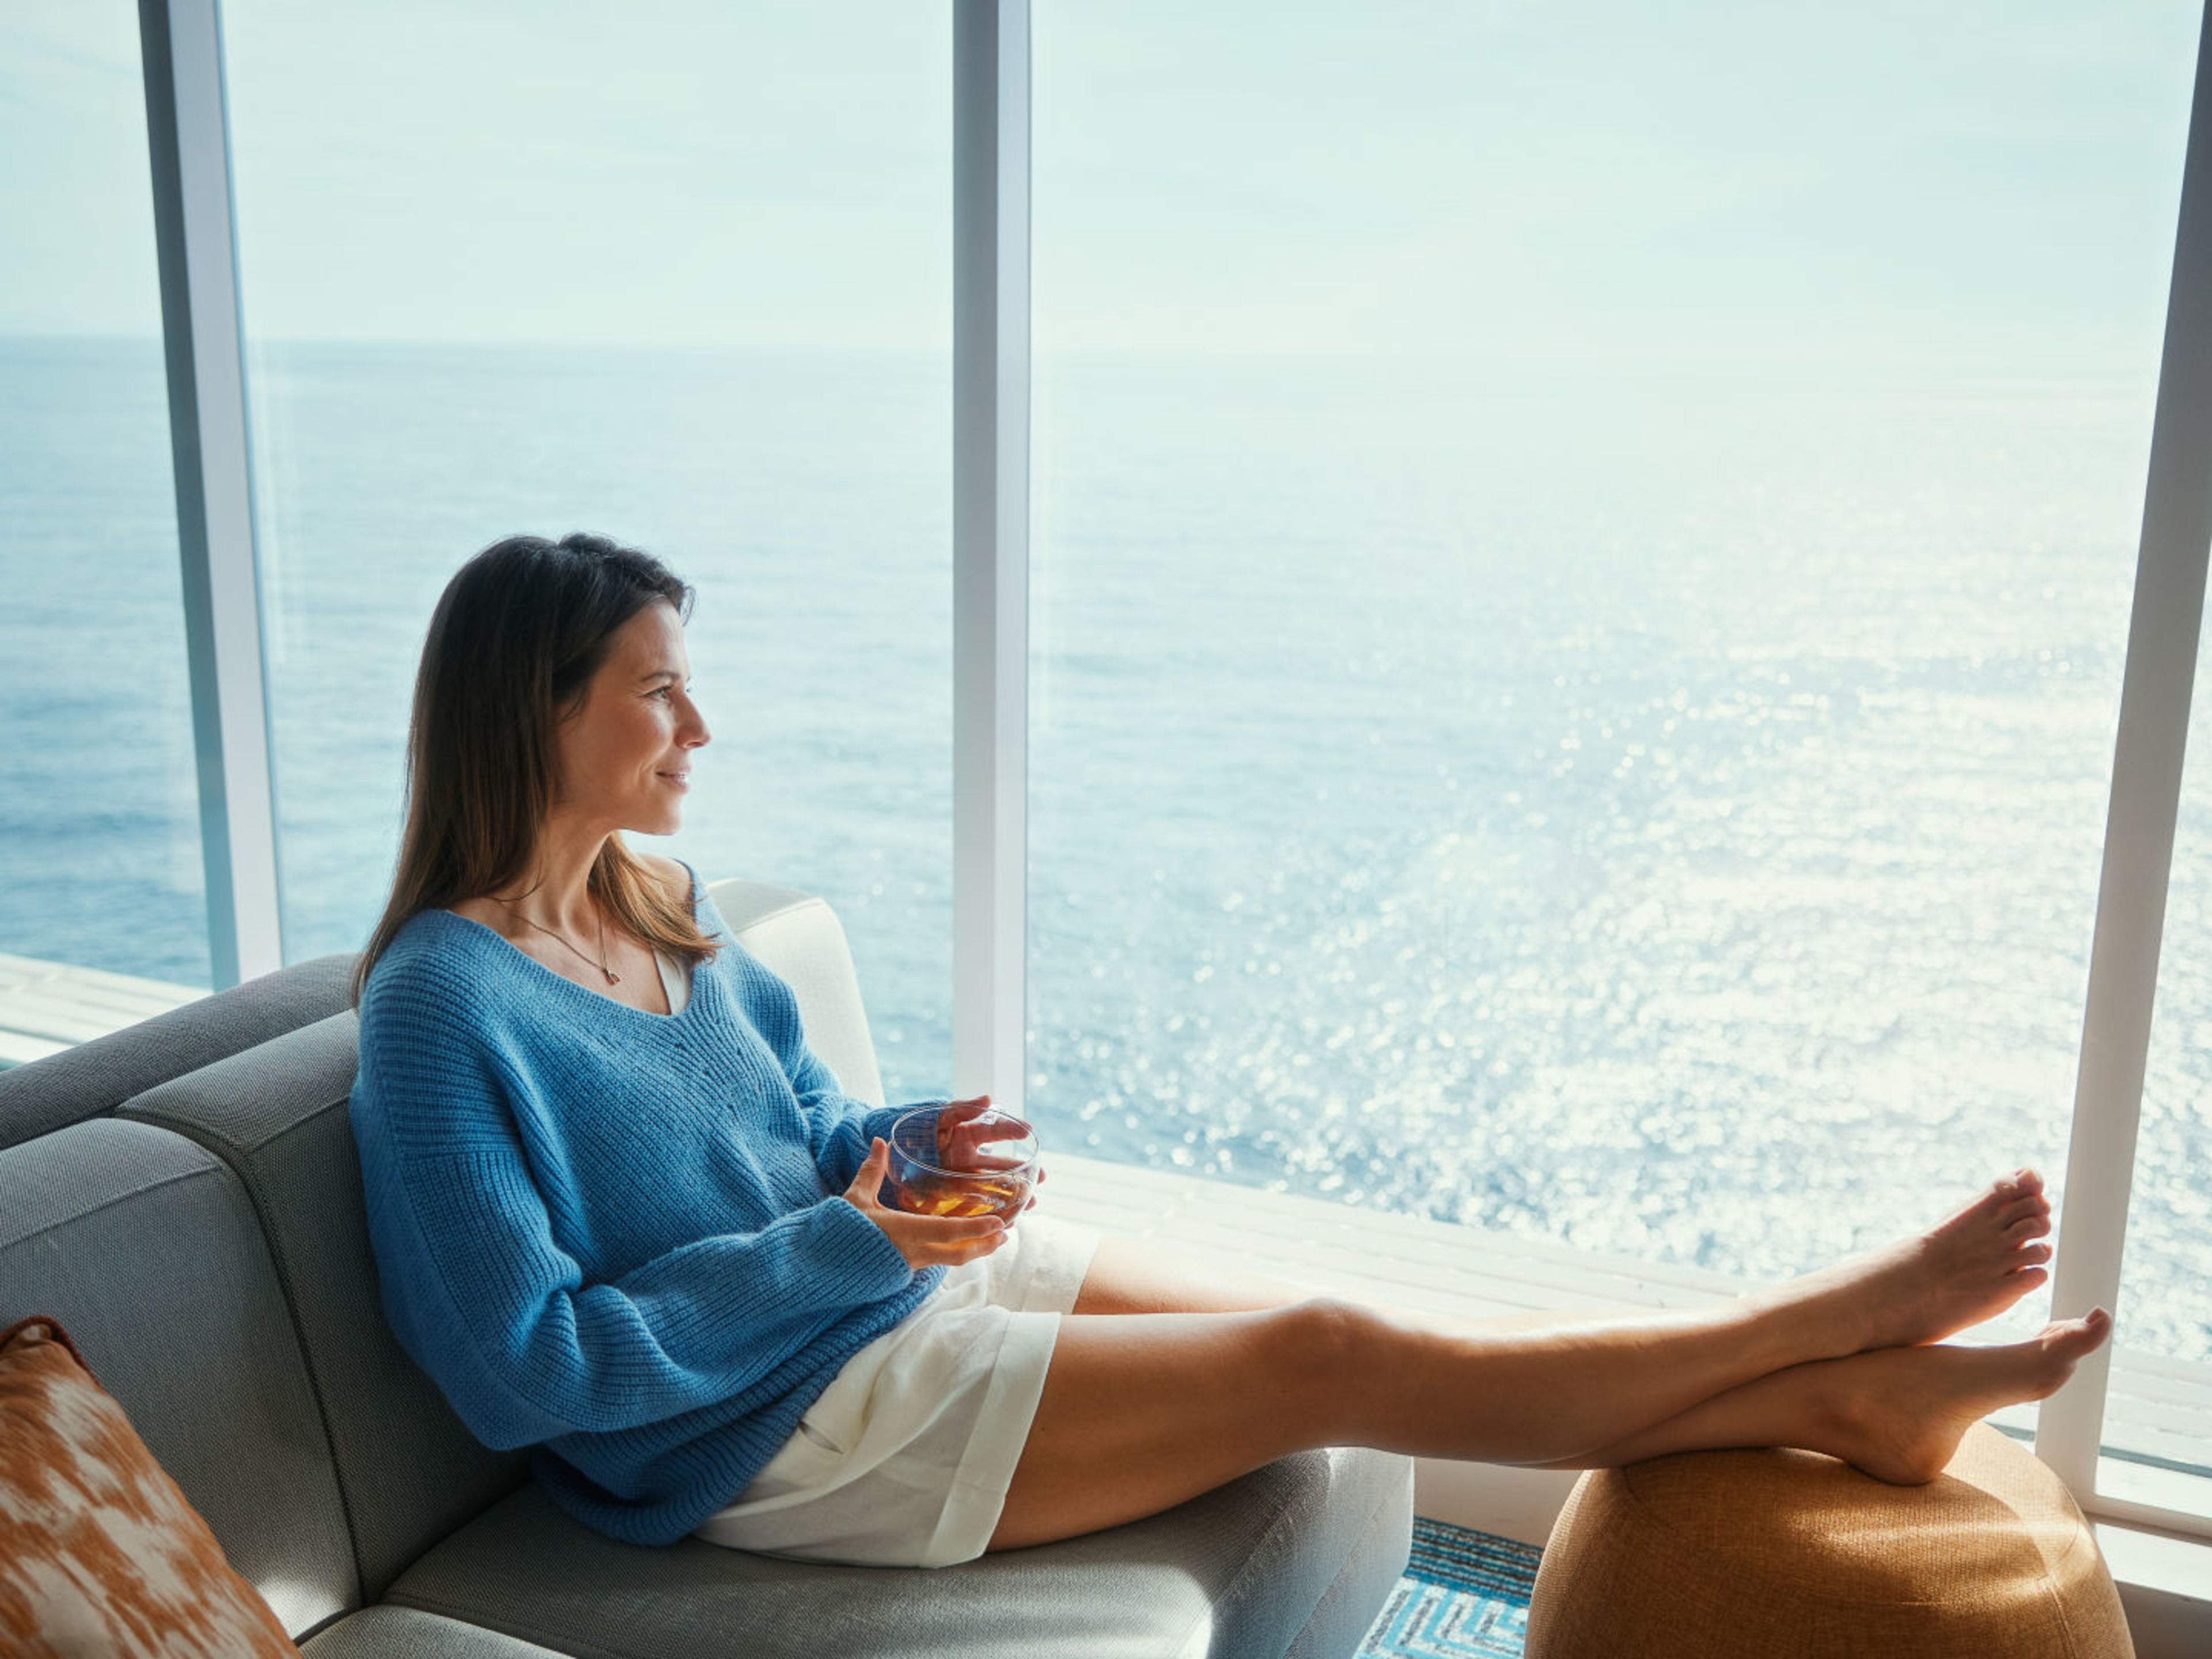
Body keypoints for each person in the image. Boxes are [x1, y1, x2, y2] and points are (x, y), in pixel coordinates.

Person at [347, 531, 2113, 1571]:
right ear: (540, 709)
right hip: (773, 1429)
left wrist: (900, 1151)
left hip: (876, 1287)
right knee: (1336, 1347)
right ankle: (1822, 1329)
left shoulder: (661, 902)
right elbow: (530, 1369)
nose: (699, 726)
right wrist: (848, 1241)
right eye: (659, 690)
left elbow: (799, 1131)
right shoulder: (443, 1010)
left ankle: (1843, 1394)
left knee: (1365, 1326)